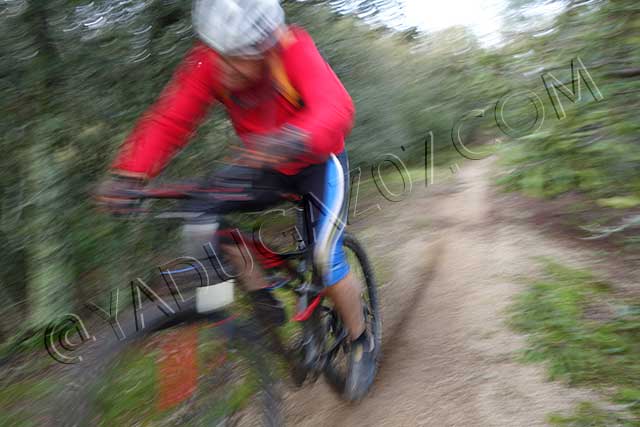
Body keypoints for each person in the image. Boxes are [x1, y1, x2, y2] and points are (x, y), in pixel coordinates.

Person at [97, 0, 376, 400]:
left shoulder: (292, 47)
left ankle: (360, 338)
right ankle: (254, 302)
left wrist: (293, 138)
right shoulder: (209, 62)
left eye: (237, 59)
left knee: (323, 256)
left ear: (265, 47)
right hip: (265, 162)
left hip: (318, 160)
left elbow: (336, 108)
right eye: (218, 56)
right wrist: (129, 174)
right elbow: (170, 119)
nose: (223, 69)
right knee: (201, 213)